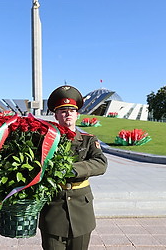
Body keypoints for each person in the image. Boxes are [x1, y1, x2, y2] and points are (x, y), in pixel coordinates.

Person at [39, 85, 108, 250]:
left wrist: (73, 168)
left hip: (81, 209)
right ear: (56, 115)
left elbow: (101, 163)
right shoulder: (45, 140)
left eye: (71, 110)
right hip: (53, 209)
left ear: (77, 114)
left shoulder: (88, 140)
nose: (67, 113)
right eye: (63, 111)